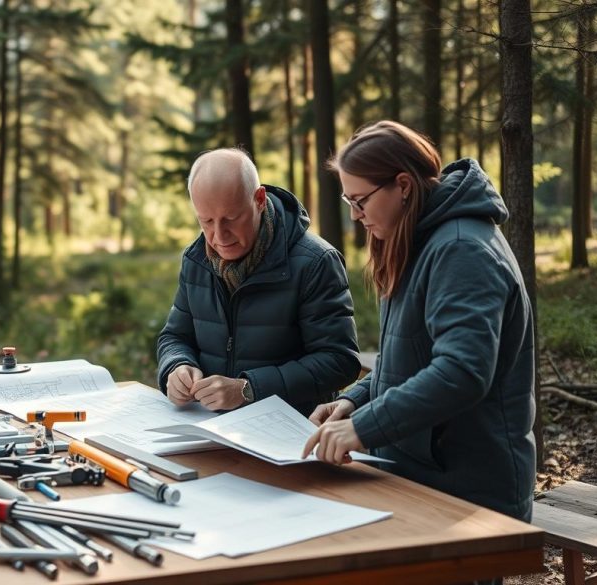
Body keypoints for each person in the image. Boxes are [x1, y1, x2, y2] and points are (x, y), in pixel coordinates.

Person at [302, 121, 536, 524]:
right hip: (416, 474)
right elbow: (408, 358)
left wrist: (363, 426)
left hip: (468, 491)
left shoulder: (462, 250)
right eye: (348, 201)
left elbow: (462, 371)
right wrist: (353, 401)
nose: (356, 216)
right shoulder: (418, 238)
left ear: (404, 186)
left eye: (361, 201)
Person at [157, 148, 361, 416]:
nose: (219, 236)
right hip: (207, 428)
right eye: (206, 221)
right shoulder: (196, 260)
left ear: (259, 199)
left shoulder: (316, 262)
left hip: (289, 431)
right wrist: (175, 366)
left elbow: (339, 362)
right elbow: (174, 336)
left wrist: (248, 389)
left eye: (231, 219)